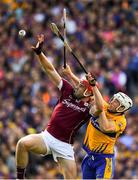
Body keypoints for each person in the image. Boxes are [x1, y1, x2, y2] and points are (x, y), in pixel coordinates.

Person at [15, 34, 94, 179]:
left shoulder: (90, 106)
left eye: (81, 86)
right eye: (79, 84)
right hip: (47, 137)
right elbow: (51, 70)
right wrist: (40, 54)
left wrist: (93, 87)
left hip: (65, 147)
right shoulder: (68, 90)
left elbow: (101, 107)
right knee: (22, 143)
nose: (77, 85)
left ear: (88, 92)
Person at [63, 67, 133, 179]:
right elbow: (86, 91)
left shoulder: (121, 121)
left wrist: (99, 110)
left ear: (121, 108)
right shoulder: (104, 106)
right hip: (89, 156)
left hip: (104, 160)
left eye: (117, 103)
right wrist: (70, 74)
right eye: (114, 99)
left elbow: (105, 127)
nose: (113, 102)